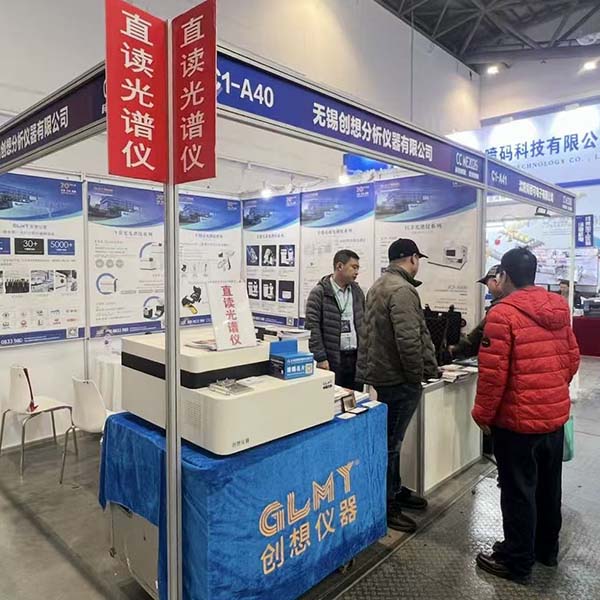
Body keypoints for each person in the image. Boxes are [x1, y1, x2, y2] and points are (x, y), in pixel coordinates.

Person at [472, 247, 580, 583]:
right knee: (548, 489)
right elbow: (572, 359)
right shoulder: (557, 307)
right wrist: (550, 391)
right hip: (553, 419)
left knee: (518, 492)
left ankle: (517, 562)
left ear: (504, 275)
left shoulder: (502, 314)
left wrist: (482, 414)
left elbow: (493, 376)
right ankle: (546, 550)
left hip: (517, 424)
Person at [356, 239, 438, 533]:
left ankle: (395, 488)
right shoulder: (403, 290)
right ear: (413, 258)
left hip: (383, 375)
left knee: (390, 440)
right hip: (399, 379)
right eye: (418, 259)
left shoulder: (379, 285)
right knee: (392, 444)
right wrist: (417, 375)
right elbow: (408, 340)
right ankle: (387, 504)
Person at [305, 249, 365, 391]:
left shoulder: (357, 291)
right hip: (333, 359)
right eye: (354, 267)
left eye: (358, 268)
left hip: (356, 358)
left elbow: (364, 322)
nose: (357, 272)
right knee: (333, 398)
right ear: (339, 266)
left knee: (355, 398)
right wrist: (320, 357)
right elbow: (312, 327)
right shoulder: (319, 293)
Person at [449, 264, 503, 359]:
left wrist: (455, 349)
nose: (488, 288)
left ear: (496, 281)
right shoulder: (518, 303)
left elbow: (478, 334)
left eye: (487, 283)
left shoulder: (499, 308)